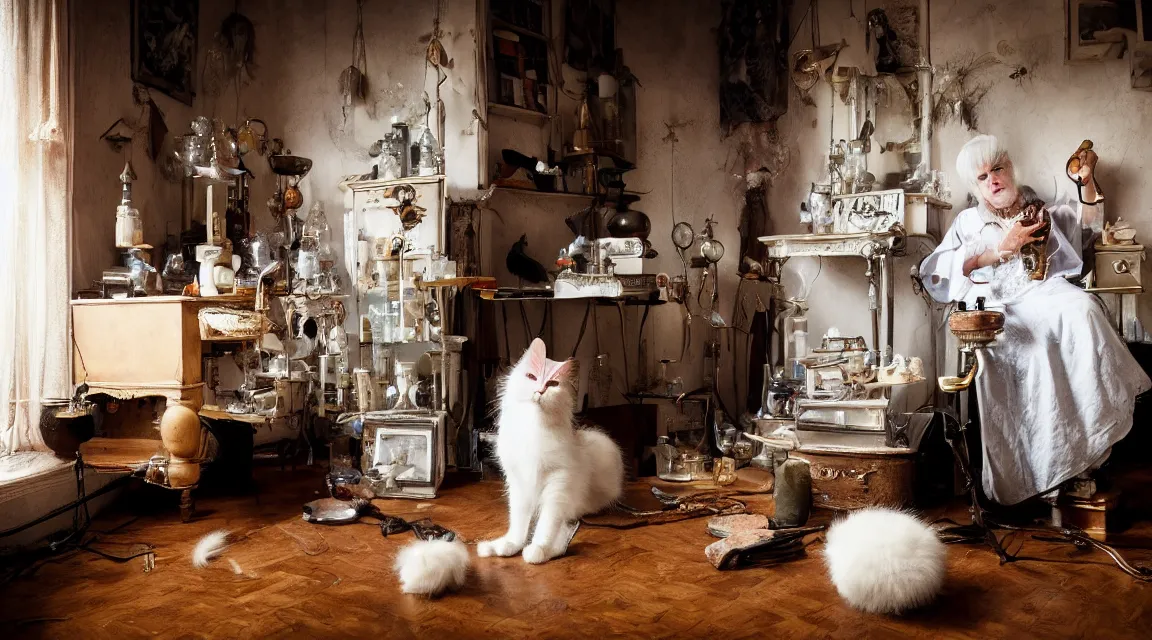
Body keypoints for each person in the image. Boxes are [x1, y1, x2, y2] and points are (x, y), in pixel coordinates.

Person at [920, 134, 1150, 505]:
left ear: (1010, 168)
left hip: (1043, 293)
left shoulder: (1038, 208)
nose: (993, 179)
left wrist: (1086, 180)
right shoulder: (968, 221)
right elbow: (941, 271)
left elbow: (1087, 225)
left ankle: (1086, 454)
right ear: (975, 187)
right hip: (1000, 304)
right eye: (982, 177)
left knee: (1085, 310)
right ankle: (1043, 472)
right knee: (1033, 345)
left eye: (997, 168)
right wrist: (999, 250)